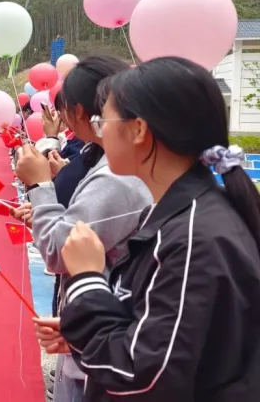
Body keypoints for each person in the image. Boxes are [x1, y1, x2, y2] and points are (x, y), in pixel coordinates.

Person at [52, 57, 260, 400]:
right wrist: (88, 327)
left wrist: (87, 279)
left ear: (138, 130)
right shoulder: (181, 215)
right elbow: (159, 330)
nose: (99, 132)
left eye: (104, 120)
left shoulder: (196, 237)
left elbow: (140, 374)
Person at [16, 56, 152, 402]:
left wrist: (40, 187)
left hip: (105, 345)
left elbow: (60, 249)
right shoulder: (108, 161)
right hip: (98, 327)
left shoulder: (118, 175)